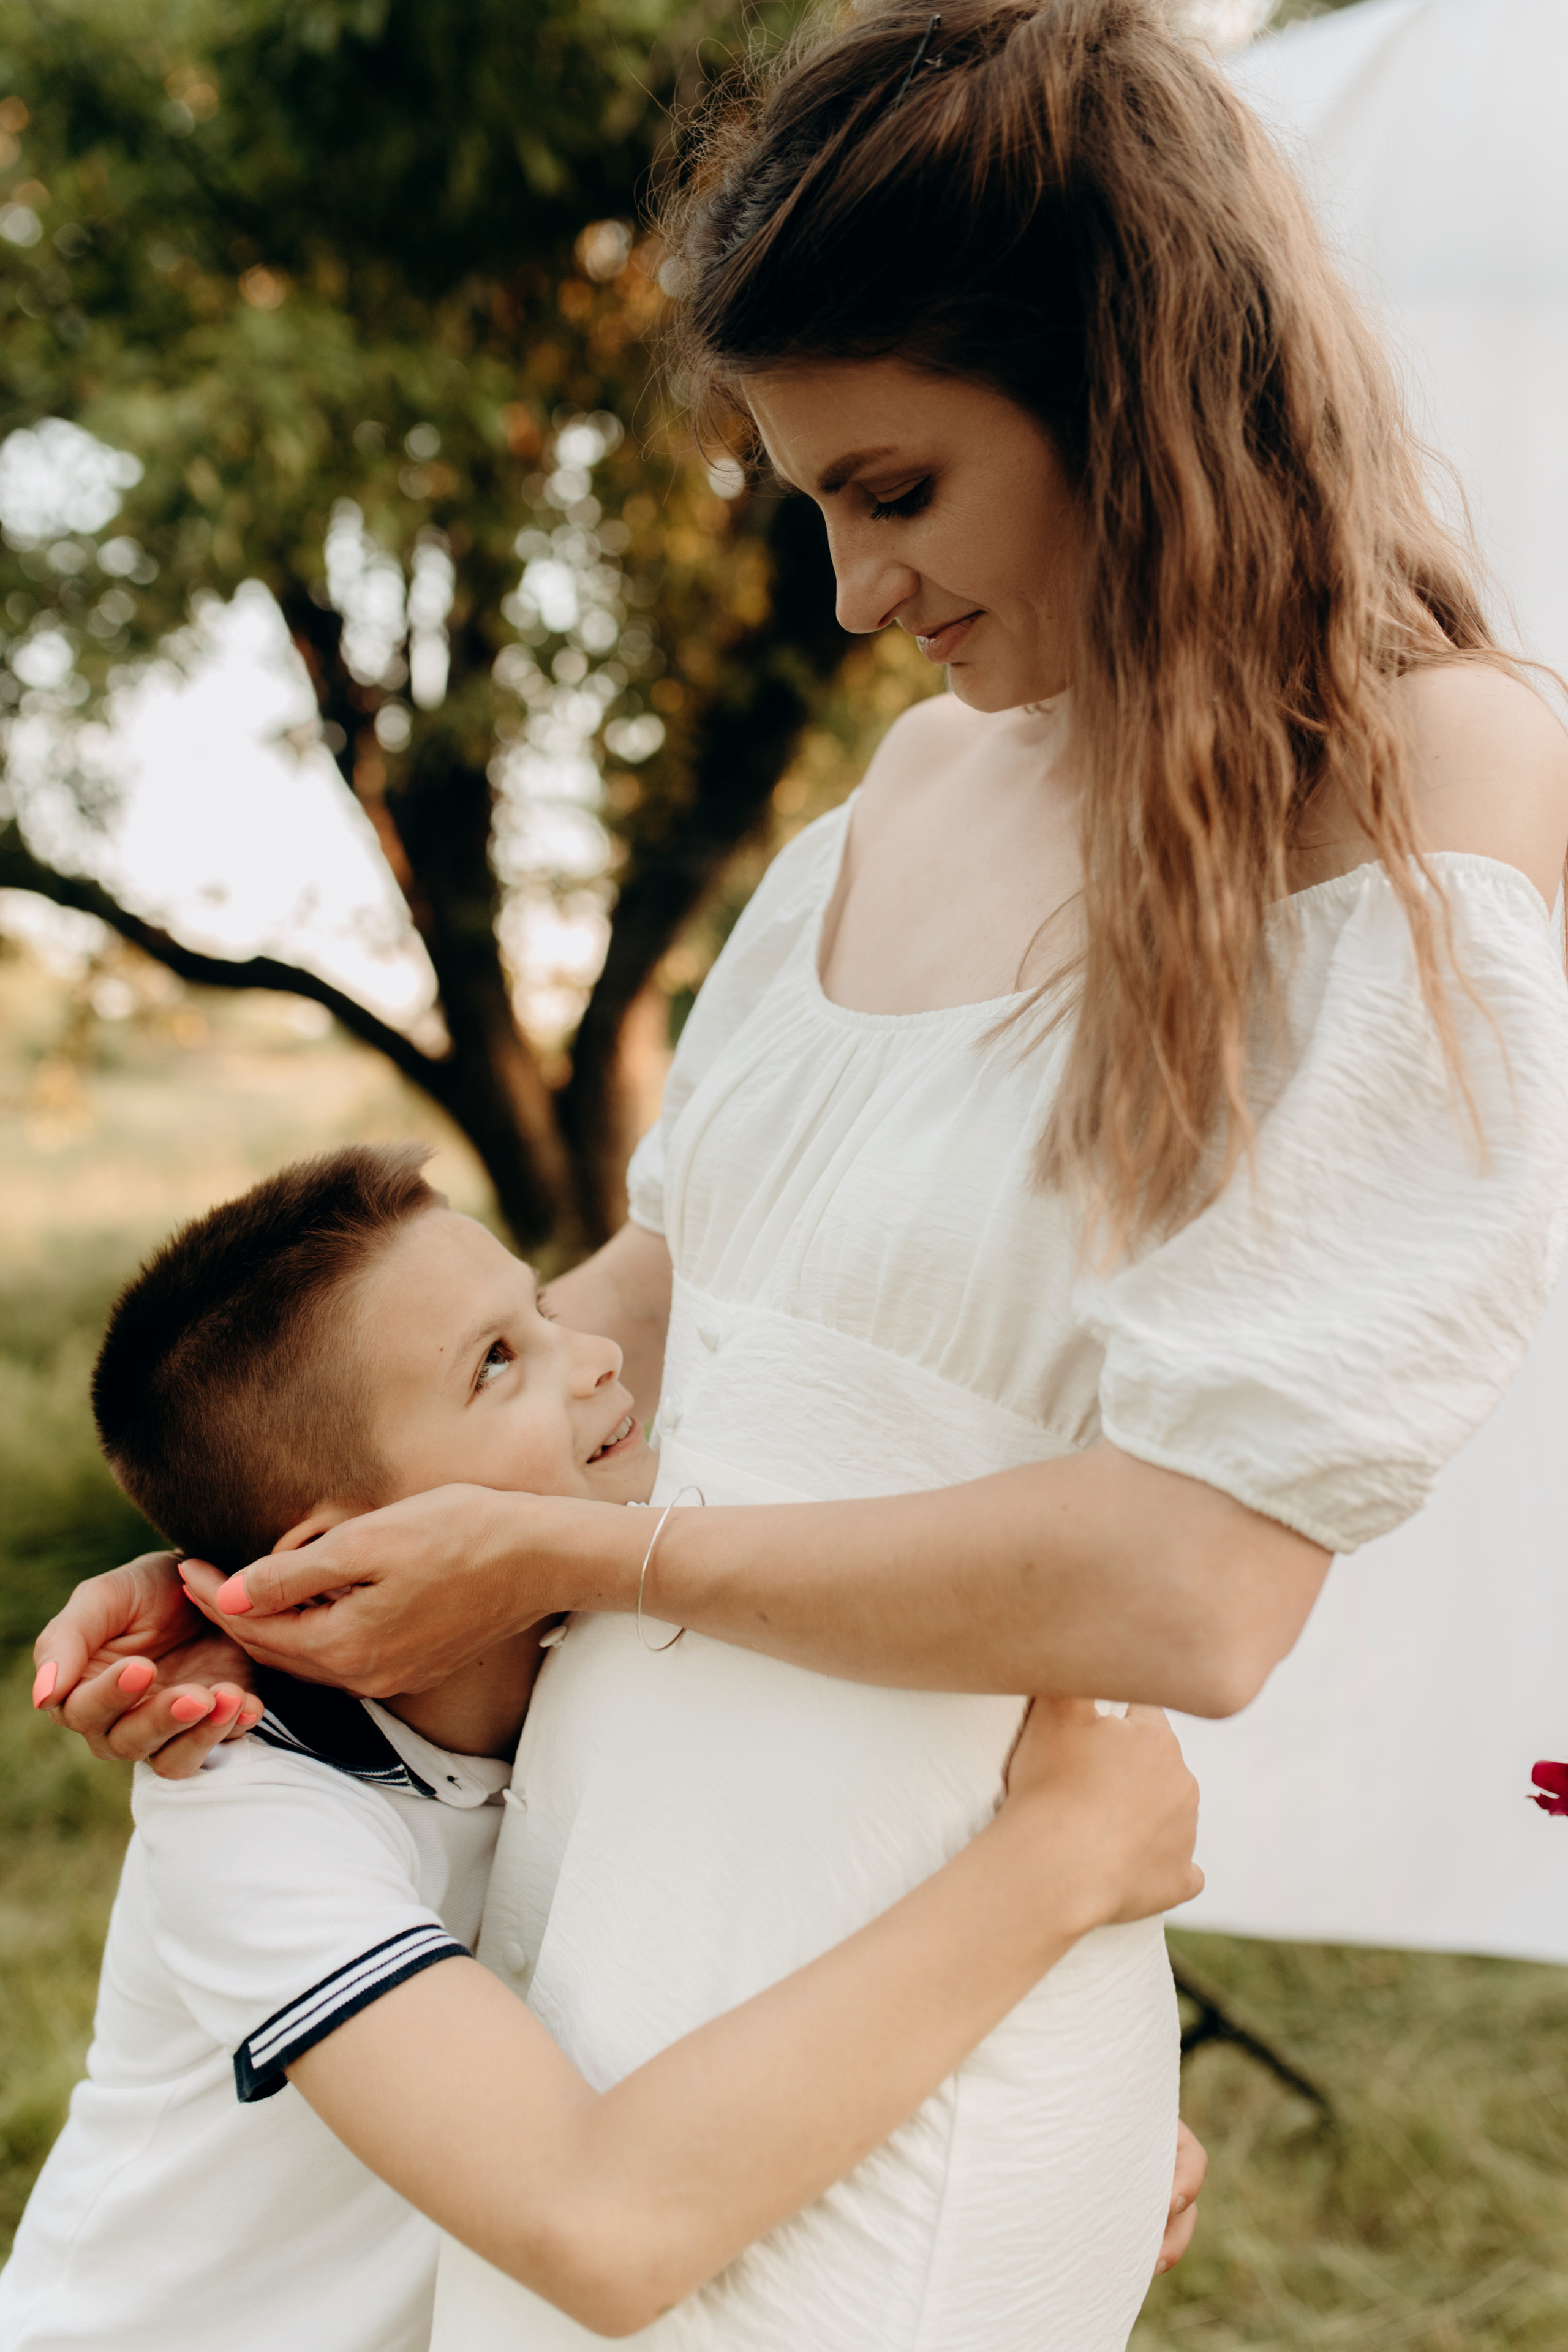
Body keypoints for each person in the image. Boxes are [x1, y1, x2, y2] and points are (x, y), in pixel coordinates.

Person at [34, 0, 1568, 2344]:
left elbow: (1195, 1597)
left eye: (899, 491)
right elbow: (678, 1294)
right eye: (815, 507)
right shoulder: (915, 791)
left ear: (1129, 392)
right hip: (602, 1927)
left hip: (924, 1945)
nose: (854, 596)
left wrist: (568, 1552)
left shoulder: (1430, 772)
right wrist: (283, 1547)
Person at [2, 1145, 1204, 2352]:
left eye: (541, 1309)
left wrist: (1063, 2116)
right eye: (496, 1361)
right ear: (334, 1553)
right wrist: (1062, 1861)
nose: (596, 1357)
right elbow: (602, 2230)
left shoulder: (599, 1653)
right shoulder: (249, 1816)